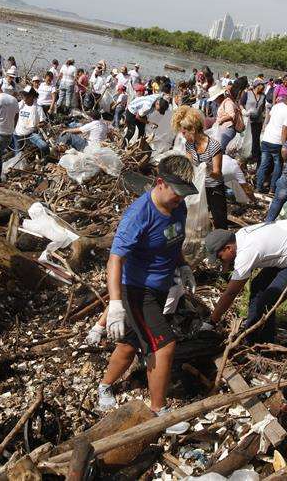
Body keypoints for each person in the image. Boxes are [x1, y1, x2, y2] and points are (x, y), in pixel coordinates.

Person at [96, 155, 197, 430]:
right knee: (164, 344)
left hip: (162, 286)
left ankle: (104, 386)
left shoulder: (179, 207)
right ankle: (158, 411)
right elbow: (115, 260)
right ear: (161, 183)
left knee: (130, 344)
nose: (181, 199)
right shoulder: (138, 215)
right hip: (137, 290)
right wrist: (115, 304)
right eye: (177, 193)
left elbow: (174, 242)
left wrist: (183, 267)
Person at [202, 218, 287, 343]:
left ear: (228, 248)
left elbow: (231, 293)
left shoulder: (247, 253)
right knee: (258, 285)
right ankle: (252, 334)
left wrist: (212, 321)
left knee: (267, 301)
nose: (221, 261)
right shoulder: (241, 235)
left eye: (220, 257)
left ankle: (265, 344)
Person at [172, 106, 227, 229]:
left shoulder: (214, 146)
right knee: (194, 217)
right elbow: (189, 165)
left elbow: (218, 174)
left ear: (192, 130)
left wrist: (207, 170)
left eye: (184, 132)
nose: (183, 136)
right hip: (198, 187)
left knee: (219, 219)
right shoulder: (189, 145)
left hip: (214, 188)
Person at [256, 93, 287, 194]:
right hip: (277, 142)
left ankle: (258, 187)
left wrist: (263, 131)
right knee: (278, 165)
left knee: (264, 164)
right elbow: (284, 131)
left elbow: (268, 119)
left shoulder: (276, 106)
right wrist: (285, 145)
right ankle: (272, 189)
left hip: (266, 138)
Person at [13, 88, 49, 158]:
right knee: (17, 156)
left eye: (25, 96)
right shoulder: (19, 105)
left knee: (44, 146)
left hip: (31, 134)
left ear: (31, 96)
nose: (23, 98)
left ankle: (46, 160)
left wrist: (40, 124)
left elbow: (44, 121)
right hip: (18, 134)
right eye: (23, 96)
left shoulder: (38, 108)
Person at [214, 77, 247, 149]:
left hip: (228, 129)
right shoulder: (230, 100)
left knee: (220, 150)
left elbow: (232, 115)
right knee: (221, 149)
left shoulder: (228, 102)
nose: (214, 100)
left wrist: (221, 120)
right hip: (228, 129)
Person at [241, 80, 266, 163]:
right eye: (262, 85)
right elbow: (241, 103)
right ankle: (244, 154)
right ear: (257, 85)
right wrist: (244, 111)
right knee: (245, 138)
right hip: (247, 120)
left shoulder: (263, 96)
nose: (264, 87)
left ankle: (254, 156)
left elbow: (263, 108)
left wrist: (264, 119)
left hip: (258, 120)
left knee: (256, 138)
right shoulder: (247, 93)